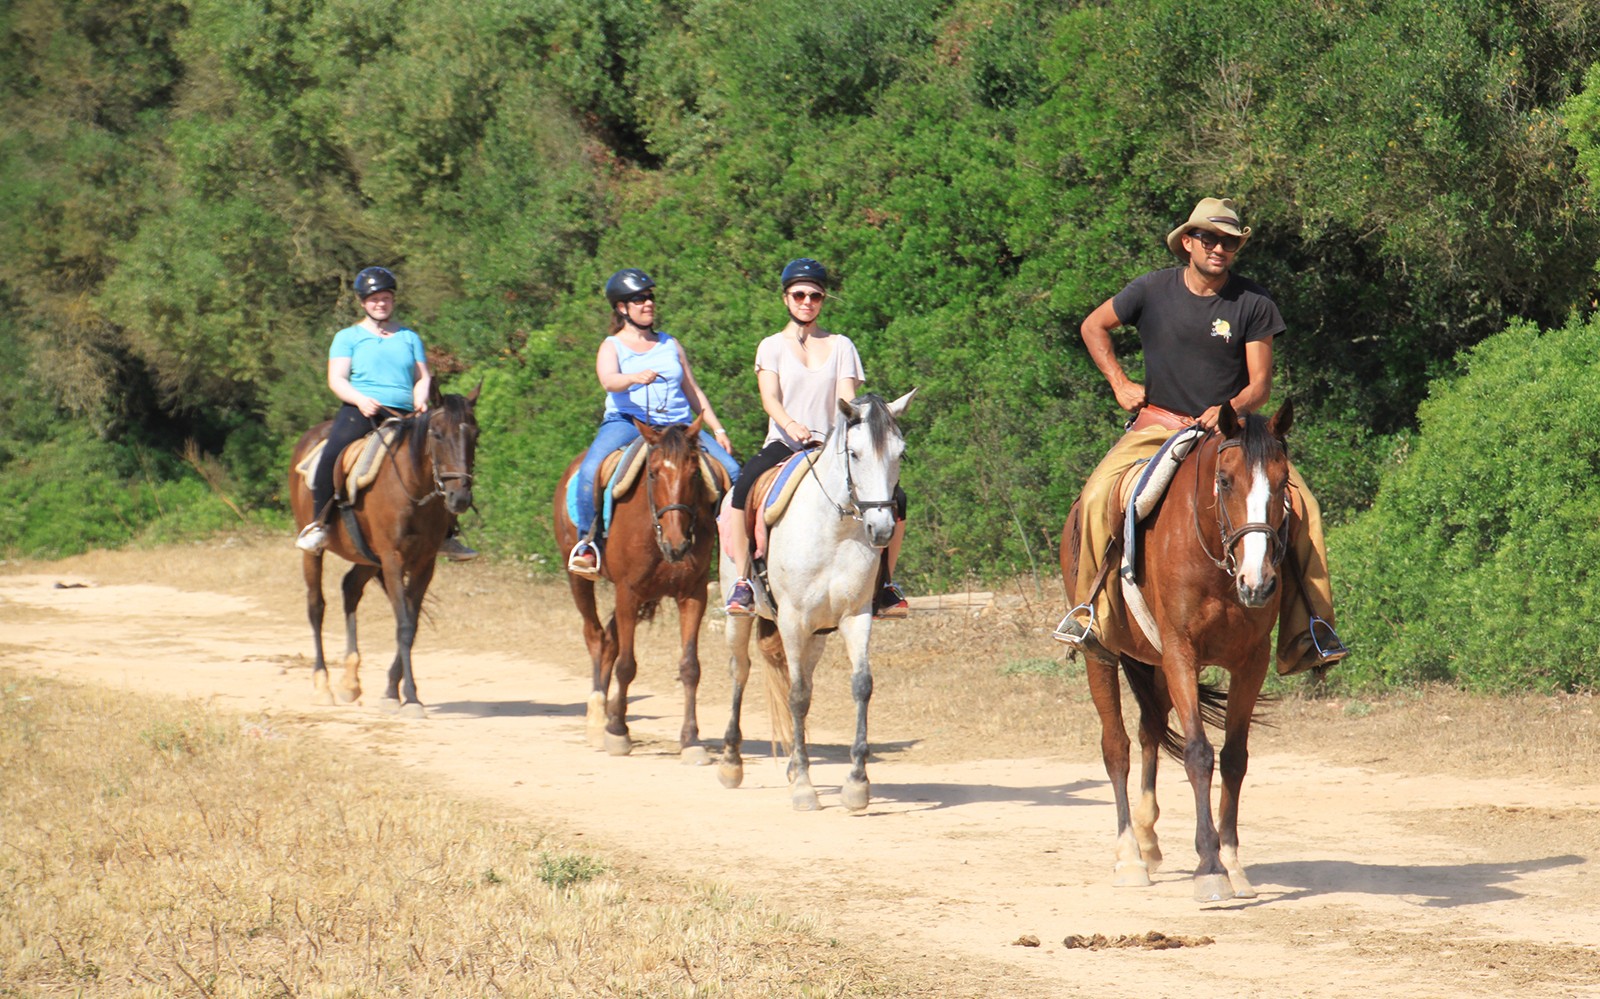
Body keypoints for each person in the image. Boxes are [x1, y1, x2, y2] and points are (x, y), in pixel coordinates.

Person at [1063, 197, 1346, 676]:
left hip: (1228, 435)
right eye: (1210, 238)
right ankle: (1092, 616)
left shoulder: (1254, 304)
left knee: (1304, 508)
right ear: (1188, 242)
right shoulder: (1151, 290)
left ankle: (1312, 631)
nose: (1219, 248)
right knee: (1095, 499)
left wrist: (1228, 410)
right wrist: (1119, 382)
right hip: (1157, 426)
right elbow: (1094, 326)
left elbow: (1260, 384)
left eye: (1229, 241)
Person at [722, 258, 909, 619]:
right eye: (799, 294)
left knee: (896, 499)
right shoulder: (771, 346)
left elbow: (846, 399)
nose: (807, 301)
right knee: (743, 487)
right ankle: (743, 581)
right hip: (785, 441)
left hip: (832, 446)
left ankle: (885, 584)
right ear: (786, 298)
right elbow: (769, 399)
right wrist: (791, 424)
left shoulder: (842, 346)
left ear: (822, 300)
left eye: (815, 295)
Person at [567, 268, 740, 578]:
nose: (648, 303)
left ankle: (736, 555)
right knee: (591, 470)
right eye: (640, 299)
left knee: (733, 472)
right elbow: (608, 380)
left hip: (678, 427)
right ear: (622, 308)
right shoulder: (612, 345)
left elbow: (693, 390)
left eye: (650, 297)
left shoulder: (670, 344)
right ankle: (587, 544)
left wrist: (718, 428)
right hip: (627, 422)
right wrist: (633, 378)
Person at [295, 266, 477, 560]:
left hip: (406, 415)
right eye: (374, 298)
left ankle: (447, 532)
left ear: (393, 300)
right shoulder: (347, 337)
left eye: (386, 298)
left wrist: (420, 397)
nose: (381, 303)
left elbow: (423, 377)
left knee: (441, 458)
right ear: (363, 302)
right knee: (331, 455)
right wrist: (360, 399)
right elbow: (337, 379)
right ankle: (320, 525)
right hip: (361, 411)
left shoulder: (409, 337)